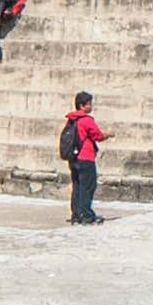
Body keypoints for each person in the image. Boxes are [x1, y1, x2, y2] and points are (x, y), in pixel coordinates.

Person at [61, 91, 108, 224]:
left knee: (77, 186)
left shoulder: (71, 119)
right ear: (82, 106)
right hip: (86, 157)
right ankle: (86, 215)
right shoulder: (87, 120)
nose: (91, 106)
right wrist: (108, 135)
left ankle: (76, 214)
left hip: (74, 158)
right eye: (89, 104)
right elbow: (97, 136)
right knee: (87, 186)